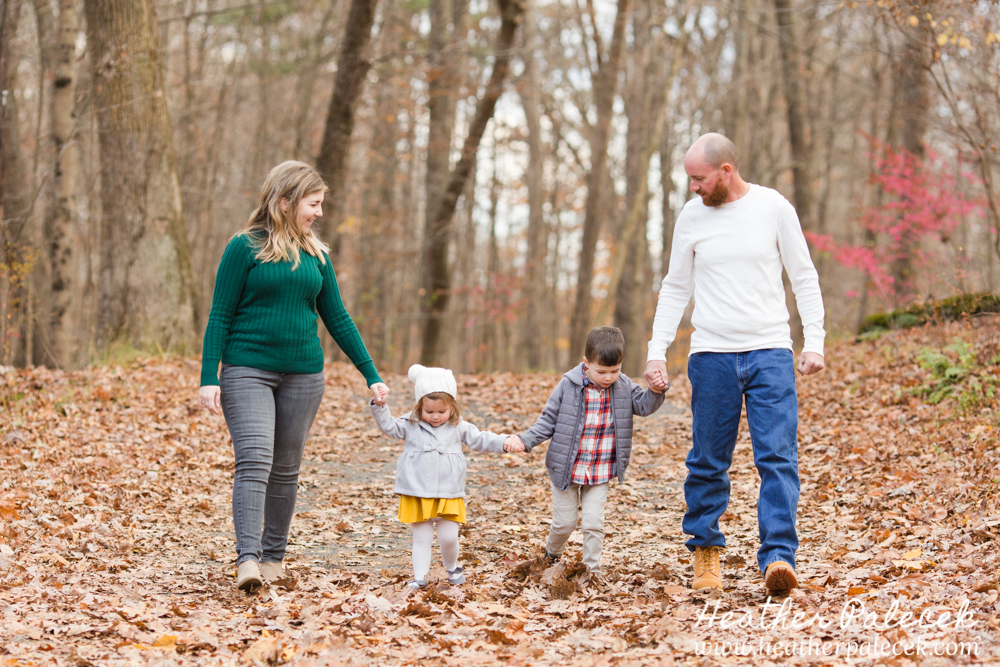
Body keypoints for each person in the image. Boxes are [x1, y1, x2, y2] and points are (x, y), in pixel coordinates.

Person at [643, 133, 826, 595]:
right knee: (707, 460)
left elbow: (803, 275)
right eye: (690, 179)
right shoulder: (691, 216)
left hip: (770, 352)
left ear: (726, 170)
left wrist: (815, 341)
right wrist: (656, 350)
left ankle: (779, 557)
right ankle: (705, 551)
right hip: (711, 356)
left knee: (777, 457)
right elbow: (675, 287)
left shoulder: (773, 207)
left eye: (699, 178)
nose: (693, 187)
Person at [198, 161, 390, 593]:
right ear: (285, 202)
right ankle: (247, 559)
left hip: (304, 376)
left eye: (321, 204)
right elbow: (220, 314)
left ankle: (273, 558)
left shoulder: (316, 255)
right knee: (255, 459)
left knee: (285, 469)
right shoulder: (244, 247)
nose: (319, 212)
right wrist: (210, 375)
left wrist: (370, 374)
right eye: (313, 203)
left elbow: (337, 317)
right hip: (247, 370)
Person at [513, 326, 665, 577]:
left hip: (601, 470)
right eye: (601, 371)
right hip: (567, 467)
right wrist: (525, 440)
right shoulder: (569, 385)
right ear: (586, 363)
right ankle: (552, 554)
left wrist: (657, 390)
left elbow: (644, 405)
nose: (608, 377)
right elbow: (548, 419)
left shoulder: (624, 386)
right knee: (565, 524)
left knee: (594, 524)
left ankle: (592, 572)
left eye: (615, 370)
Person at [370, 364, 524, 589]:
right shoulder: (410, 423)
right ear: (419, 405)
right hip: (417, 491)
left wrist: (504, 441)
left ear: (452, 406)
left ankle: (451, 568)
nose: (435, 417)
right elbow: (389, 427)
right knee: (421, 538)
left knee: (448, 537)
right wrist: (380, 406)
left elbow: (480, 438)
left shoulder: (458, 426)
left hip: (449, 491)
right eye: (429, 411)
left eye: (441, 412)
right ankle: (420, 577)